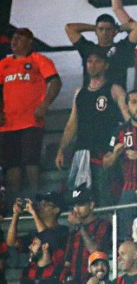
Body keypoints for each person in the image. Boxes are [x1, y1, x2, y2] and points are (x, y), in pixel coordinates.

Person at [0, 27, 61, 195]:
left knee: (30, 160)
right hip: (8, 123)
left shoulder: (38, 60)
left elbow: (55, 82)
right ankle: (15, 202)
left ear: (29, 42)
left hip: (31, 121)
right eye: (13, 38)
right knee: (11, 163)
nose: (15, 41)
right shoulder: (4, 64)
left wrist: (45, 104)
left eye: (19, 38)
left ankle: (34, 197)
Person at [54, 51, 119, 201]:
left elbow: (127, 120)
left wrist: (116, 149)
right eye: (89, 61)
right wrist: (61, 149)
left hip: (104, 152)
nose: (93, 65)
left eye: (97, 61)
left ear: (106, 65)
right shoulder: (80, 92)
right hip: (81, 151)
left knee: (103, 196)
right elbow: (72, 123)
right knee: (81, 197)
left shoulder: (114, 89)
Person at [64, 13, 130, 114]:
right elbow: (69, 28)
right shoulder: (88, 48)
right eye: (101, 29)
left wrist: (119, 28)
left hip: (115, 100)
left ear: (114, 31)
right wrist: (94, 27)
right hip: (90, 99)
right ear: (96, 31)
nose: (104, 32)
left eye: (108, 29)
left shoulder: (122, 48)